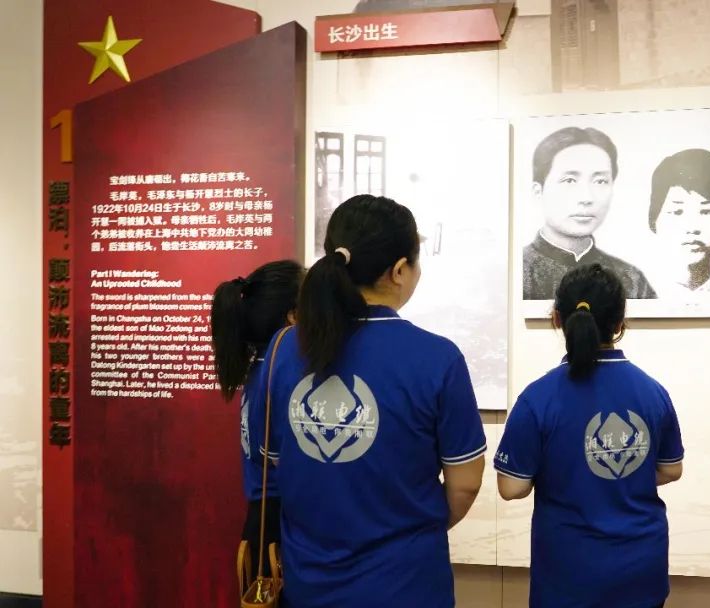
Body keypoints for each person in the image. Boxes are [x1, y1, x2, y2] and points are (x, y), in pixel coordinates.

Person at [256, 195, 487, 607]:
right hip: (407, 583)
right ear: (399, 271)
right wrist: (414, 526)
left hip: (309, 583)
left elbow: (276, 462)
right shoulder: (437, 358)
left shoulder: (283, 349)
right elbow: (465, 483)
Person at [496, 263, 684, 608]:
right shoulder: (653, 393)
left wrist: (572, 473)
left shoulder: (537, 399)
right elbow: (671, 469)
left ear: (557, 319)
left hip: (569, 575)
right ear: (620, 323)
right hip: (641, 570)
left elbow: (511, 487)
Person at [210, 259, 303, 565]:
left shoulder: (263, 367)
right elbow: (284, 461)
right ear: (293, 316)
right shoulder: (281, 374)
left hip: (265, 516)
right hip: (278, 523)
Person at [523, 126, 657, 301]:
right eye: (570, 180)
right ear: (538, 191)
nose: (586, 198)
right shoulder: (518, 272)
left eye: (600, 181)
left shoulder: (631, 280)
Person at [647, 148, 710, 306]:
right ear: (654, 220)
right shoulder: (640, 290)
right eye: (677, 211)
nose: (692, 227)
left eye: (707, 211)